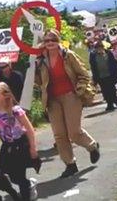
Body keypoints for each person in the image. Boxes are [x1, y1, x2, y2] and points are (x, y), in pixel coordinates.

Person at [36, 29, 100, 178]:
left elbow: (84, 74)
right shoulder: (41, 60)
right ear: (44, 43)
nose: (50, 43)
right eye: (47, 40)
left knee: (74, 132)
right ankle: (70, 164)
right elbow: (39, 82)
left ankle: (92, 146)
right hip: (52, 99)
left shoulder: (68, 55)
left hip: (71, 95)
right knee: (59, 135)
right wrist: (33, 69)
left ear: (58, 40)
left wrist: (81, 88)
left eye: (53, 39)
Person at [0, 82, 40, 201]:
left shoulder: (16, 110)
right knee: (8, 173)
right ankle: (29, 184)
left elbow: (29, 128)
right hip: (7, 146)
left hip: (20, 144)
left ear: (6, 95)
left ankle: (26, 193)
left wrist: (33, 147)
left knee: (20, 175)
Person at [89, 41, 117, 111]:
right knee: (105, 91)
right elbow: (93, 67)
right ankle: (110, 104)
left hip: (109, 75)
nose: (99, 50)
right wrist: (95, 78)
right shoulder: (93, 56)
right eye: (97, 48)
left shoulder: (108, 53)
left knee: (112, 90)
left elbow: (114, 64)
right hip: (101, 77)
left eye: (100, 48)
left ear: (103, 48)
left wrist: (116, 74)